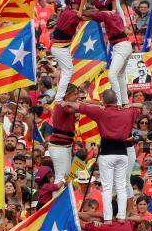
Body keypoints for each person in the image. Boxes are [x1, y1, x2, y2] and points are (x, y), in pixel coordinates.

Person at [59, 89, 140, 221]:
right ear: (116, 100)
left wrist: (66, 102)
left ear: (104, 101)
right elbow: (146, 107)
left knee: (107, 187)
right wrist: (130, 105)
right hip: (123, 153)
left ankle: (108, 218)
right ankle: (121, 217)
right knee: (121, 186)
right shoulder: (128, 112)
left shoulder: (101, 112)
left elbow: (80, 107)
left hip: (107, 153)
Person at [51, 0, 83, 102]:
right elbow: (85, 16)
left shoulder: (67, 11)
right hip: (60, 47)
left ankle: (61, 96)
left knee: (65, 71)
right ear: (70, 2)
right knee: (68, 71)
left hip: (62, 46)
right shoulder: (70, 13)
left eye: (78, 3)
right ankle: (59, 99)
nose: (78, 6)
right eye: (76, 3)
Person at [48, 83, 80, 182]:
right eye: (75, 94)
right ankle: (58, 198)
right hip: (59, 146)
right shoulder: (62, 105)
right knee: (61, 178)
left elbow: (82, 103)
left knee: (66, 178)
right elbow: (80, 106)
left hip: (66, 145)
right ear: (67, 94)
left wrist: (98, 104)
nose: (77, 96)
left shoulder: (66, 104)